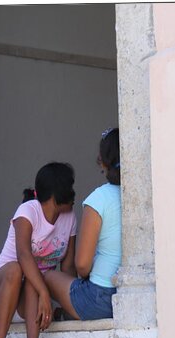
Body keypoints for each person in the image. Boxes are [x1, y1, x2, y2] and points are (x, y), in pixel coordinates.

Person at [0, 162, 77, 338]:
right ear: (56, 193)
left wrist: (68, 303)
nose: (74, 193)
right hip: (0, 293)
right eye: (70, 187)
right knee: (18, 269)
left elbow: (68, 268)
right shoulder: (28, 211)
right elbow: (24, 255)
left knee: (35, 277)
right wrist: (44, 293)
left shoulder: (70, 218)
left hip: (30, 299)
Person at [44, 128, 121, 321]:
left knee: (47, 277)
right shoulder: (140, 196)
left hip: (99, 299)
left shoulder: (98, 200)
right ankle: (67, 313)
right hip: (127, 295)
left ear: (102, 162)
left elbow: (82, 265)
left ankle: (67, 313)